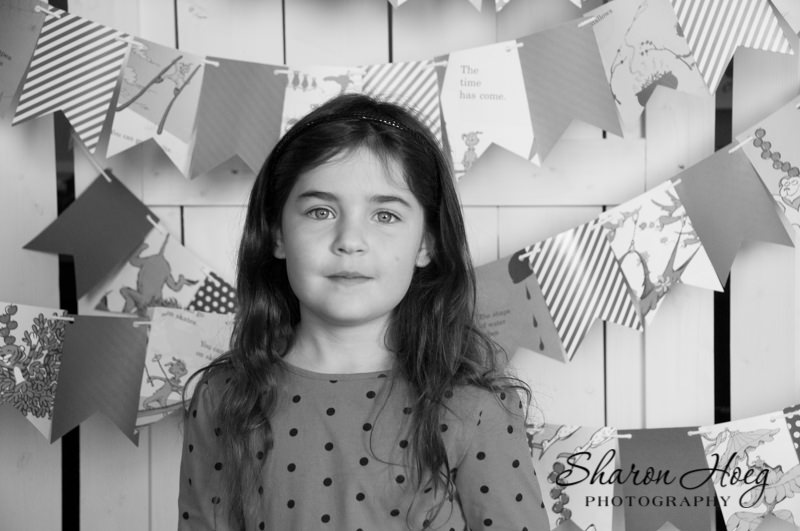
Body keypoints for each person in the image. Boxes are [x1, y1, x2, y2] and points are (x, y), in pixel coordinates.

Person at [178, 93, 548, 531]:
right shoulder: (224, 397)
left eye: (385, 216)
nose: (349, 239)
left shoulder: (475, 407)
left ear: (426, 243)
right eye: (320, 211)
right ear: (277, 234)